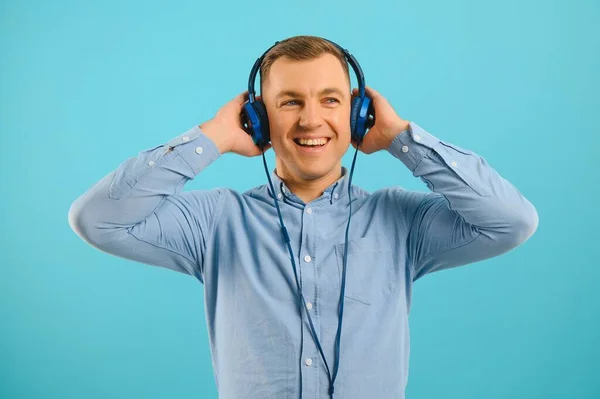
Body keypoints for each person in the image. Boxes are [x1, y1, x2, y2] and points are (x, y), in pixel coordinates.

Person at [68, 35, 538, 399]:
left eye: (330, 100)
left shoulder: (402, 221)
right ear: (258, 117)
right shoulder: (215, 223)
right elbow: (98, 219)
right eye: (290, 101)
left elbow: (511, 221)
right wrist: (211, 136)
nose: (311, 120)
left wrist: (400, 137)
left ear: (356, 115)